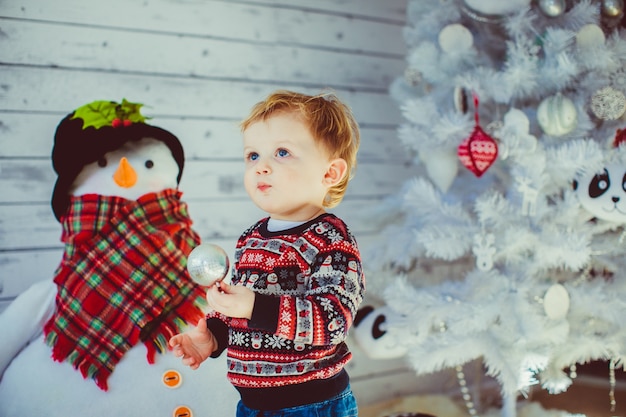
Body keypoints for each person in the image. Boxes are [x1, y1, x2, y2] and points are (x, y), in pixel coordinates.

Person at [169, 89, 365, 417]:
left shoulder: (330, 238)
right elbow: (241, 308)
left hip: (311, 404)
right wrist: (214, 336)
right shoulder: (250, 238)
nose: (261, 167)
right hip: (251, 405)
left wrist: (255, 305)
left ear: (329, 173)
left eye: (282, 153)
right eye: (253, 156)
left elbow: (333, 321)